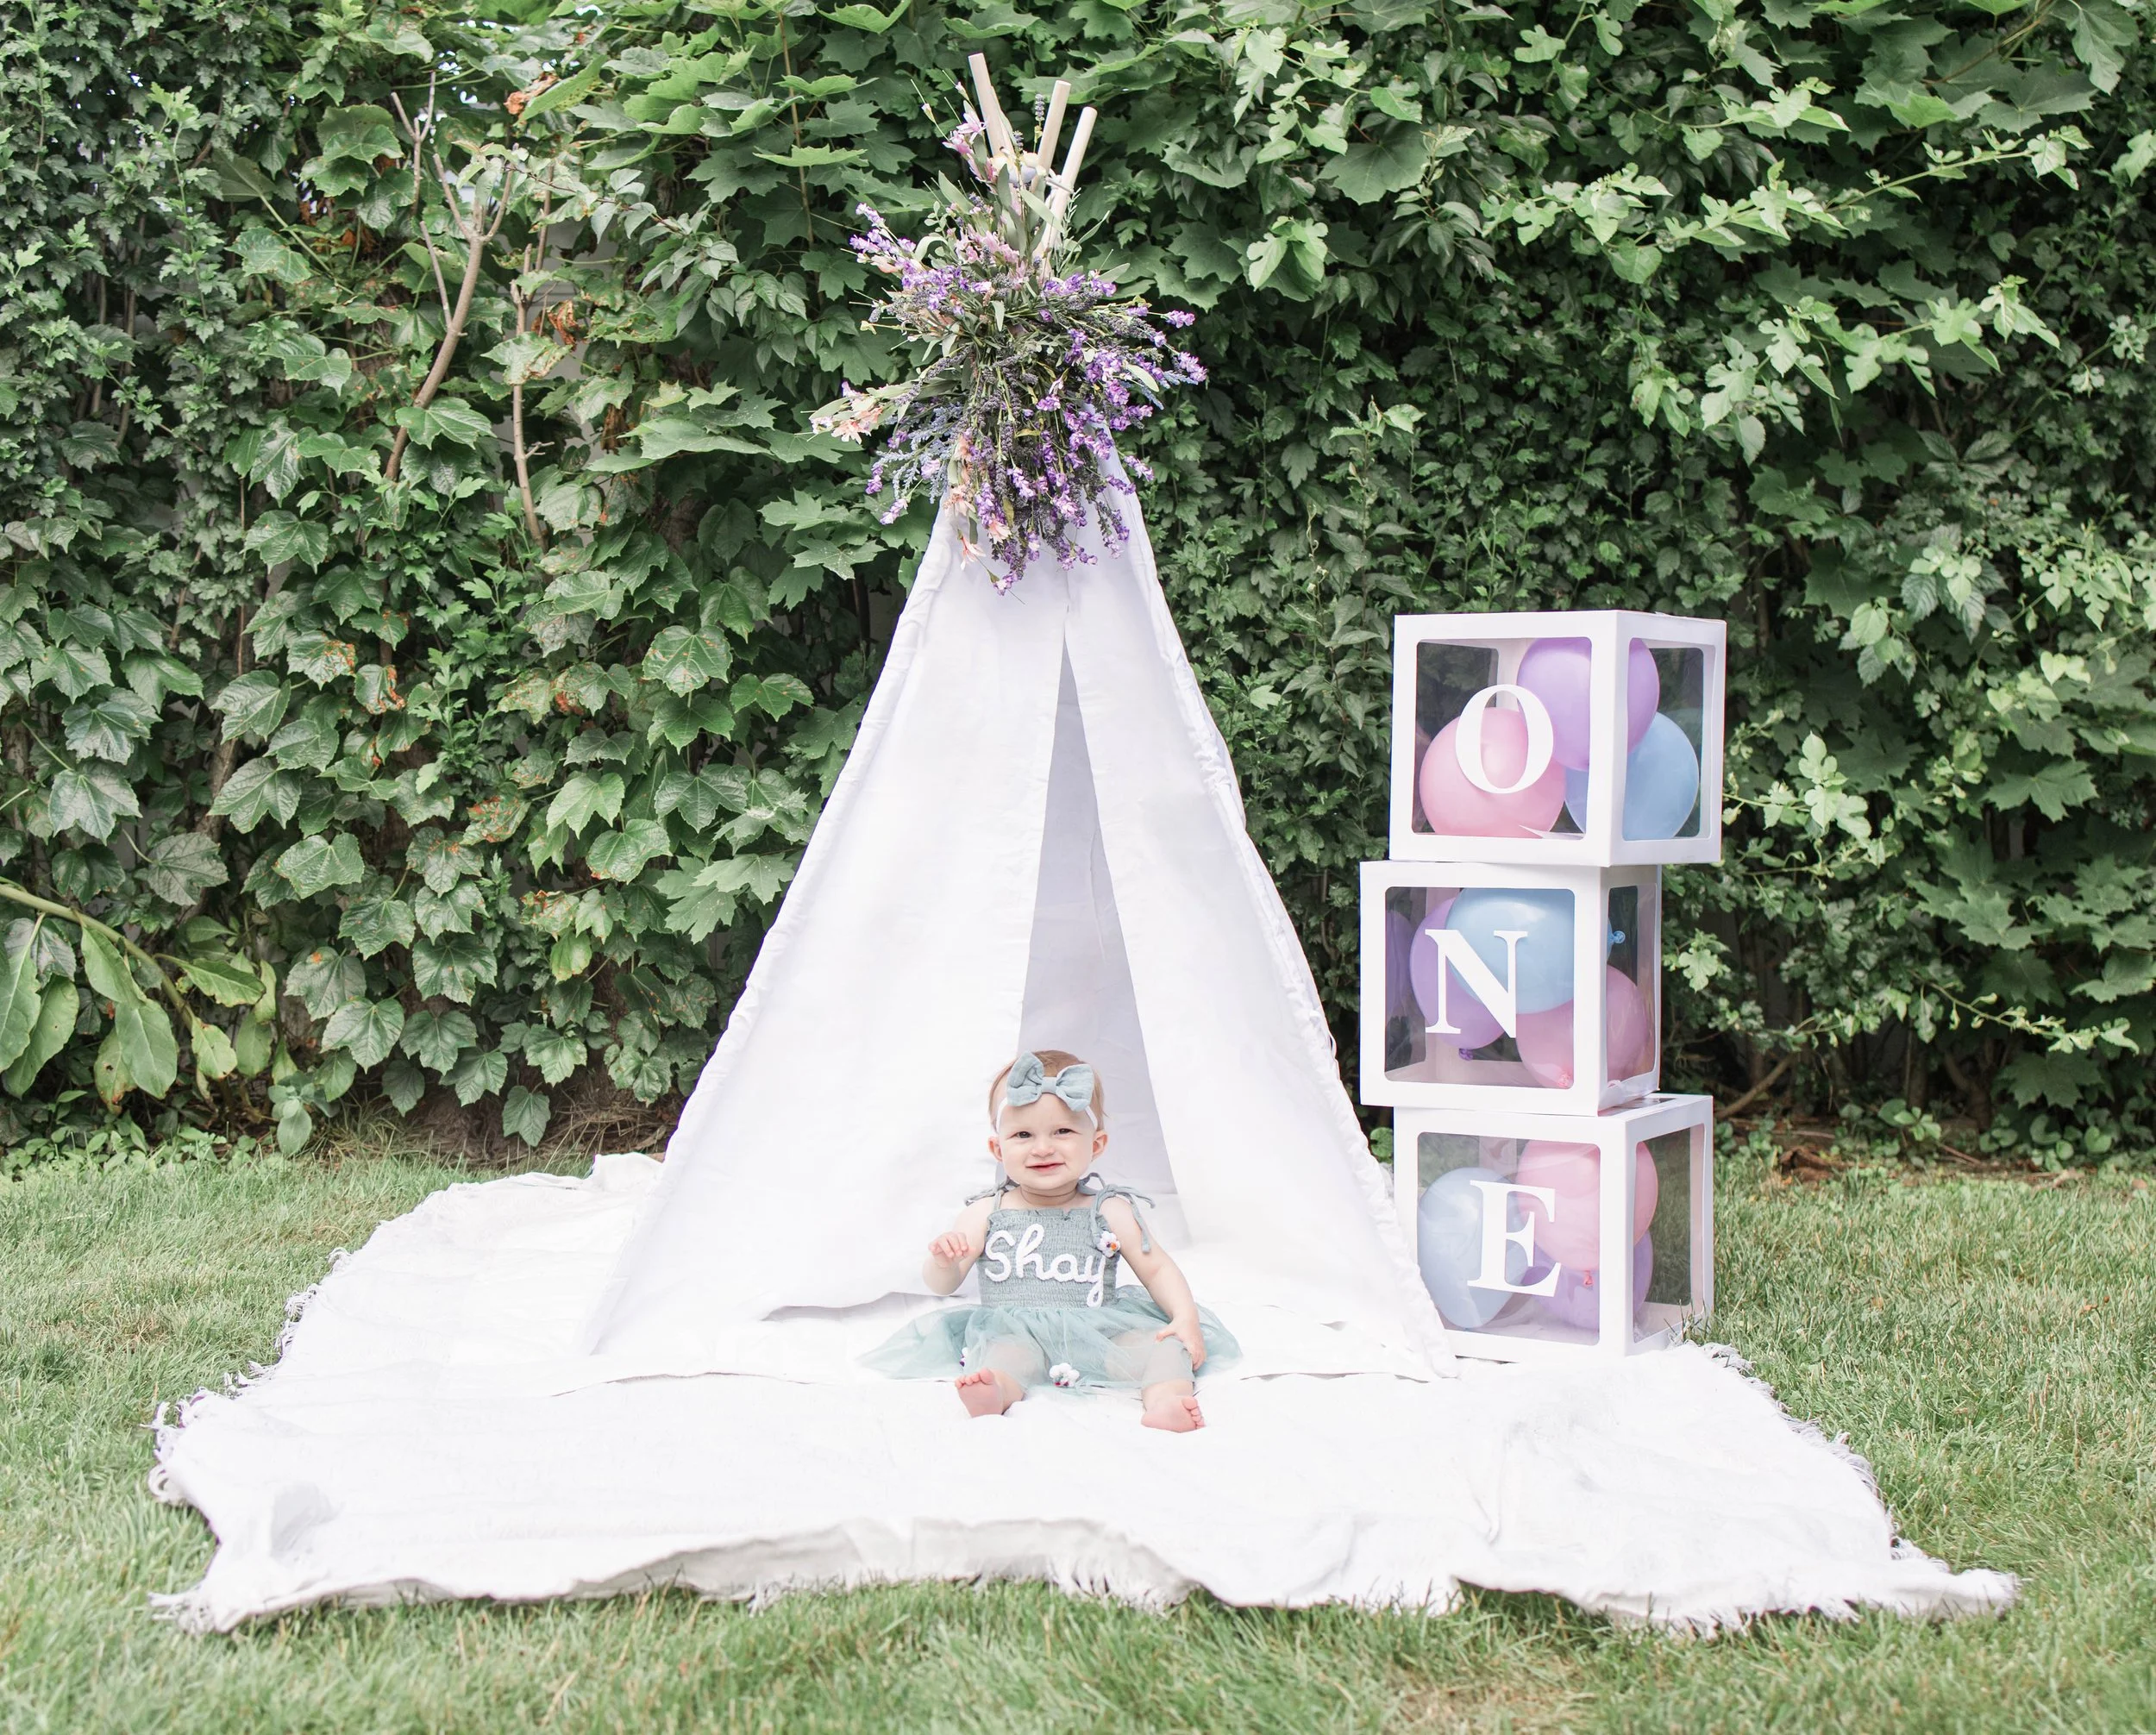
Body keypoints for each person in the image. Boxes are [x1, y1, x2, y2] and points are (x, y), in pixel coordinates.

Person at [862, 1049, 1237, 1431]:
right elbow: (944, 1284)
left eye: (1063, 1131)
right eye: (1023, 1135)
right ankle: (996, 1392)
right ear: (998, 1148)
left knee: (1167, 1347)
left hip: (1098, 1335)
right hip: (1015, 1335)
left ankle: (1165, 1401)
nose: (1043, 1148)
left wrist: (1184, 1317)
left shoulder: (1110, 1211)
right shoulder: (987, 1212)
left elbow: (1156, 1268)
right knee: (1002, 1358)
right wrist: (944, 1262)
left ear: (1096, 1144)